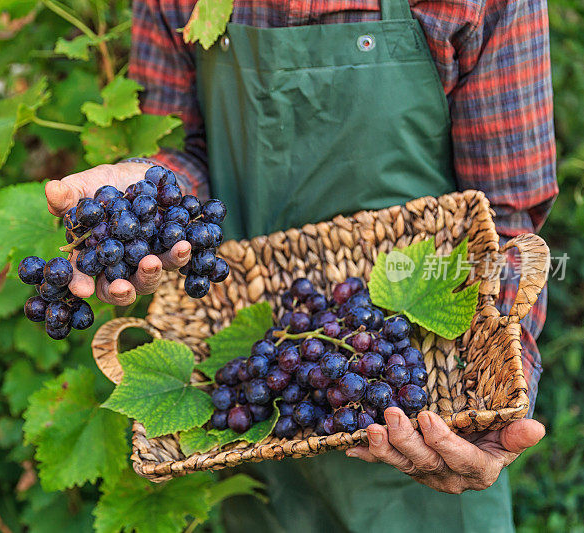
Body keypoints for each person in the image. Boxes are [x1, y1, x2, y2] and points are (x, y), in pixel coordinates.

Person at [45, 0, 557, 530]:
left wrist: (496, 377)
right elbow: (186, 150)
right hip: (259, 394)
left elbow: (506, 223)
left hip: (430, 403)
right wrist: (147, 195)